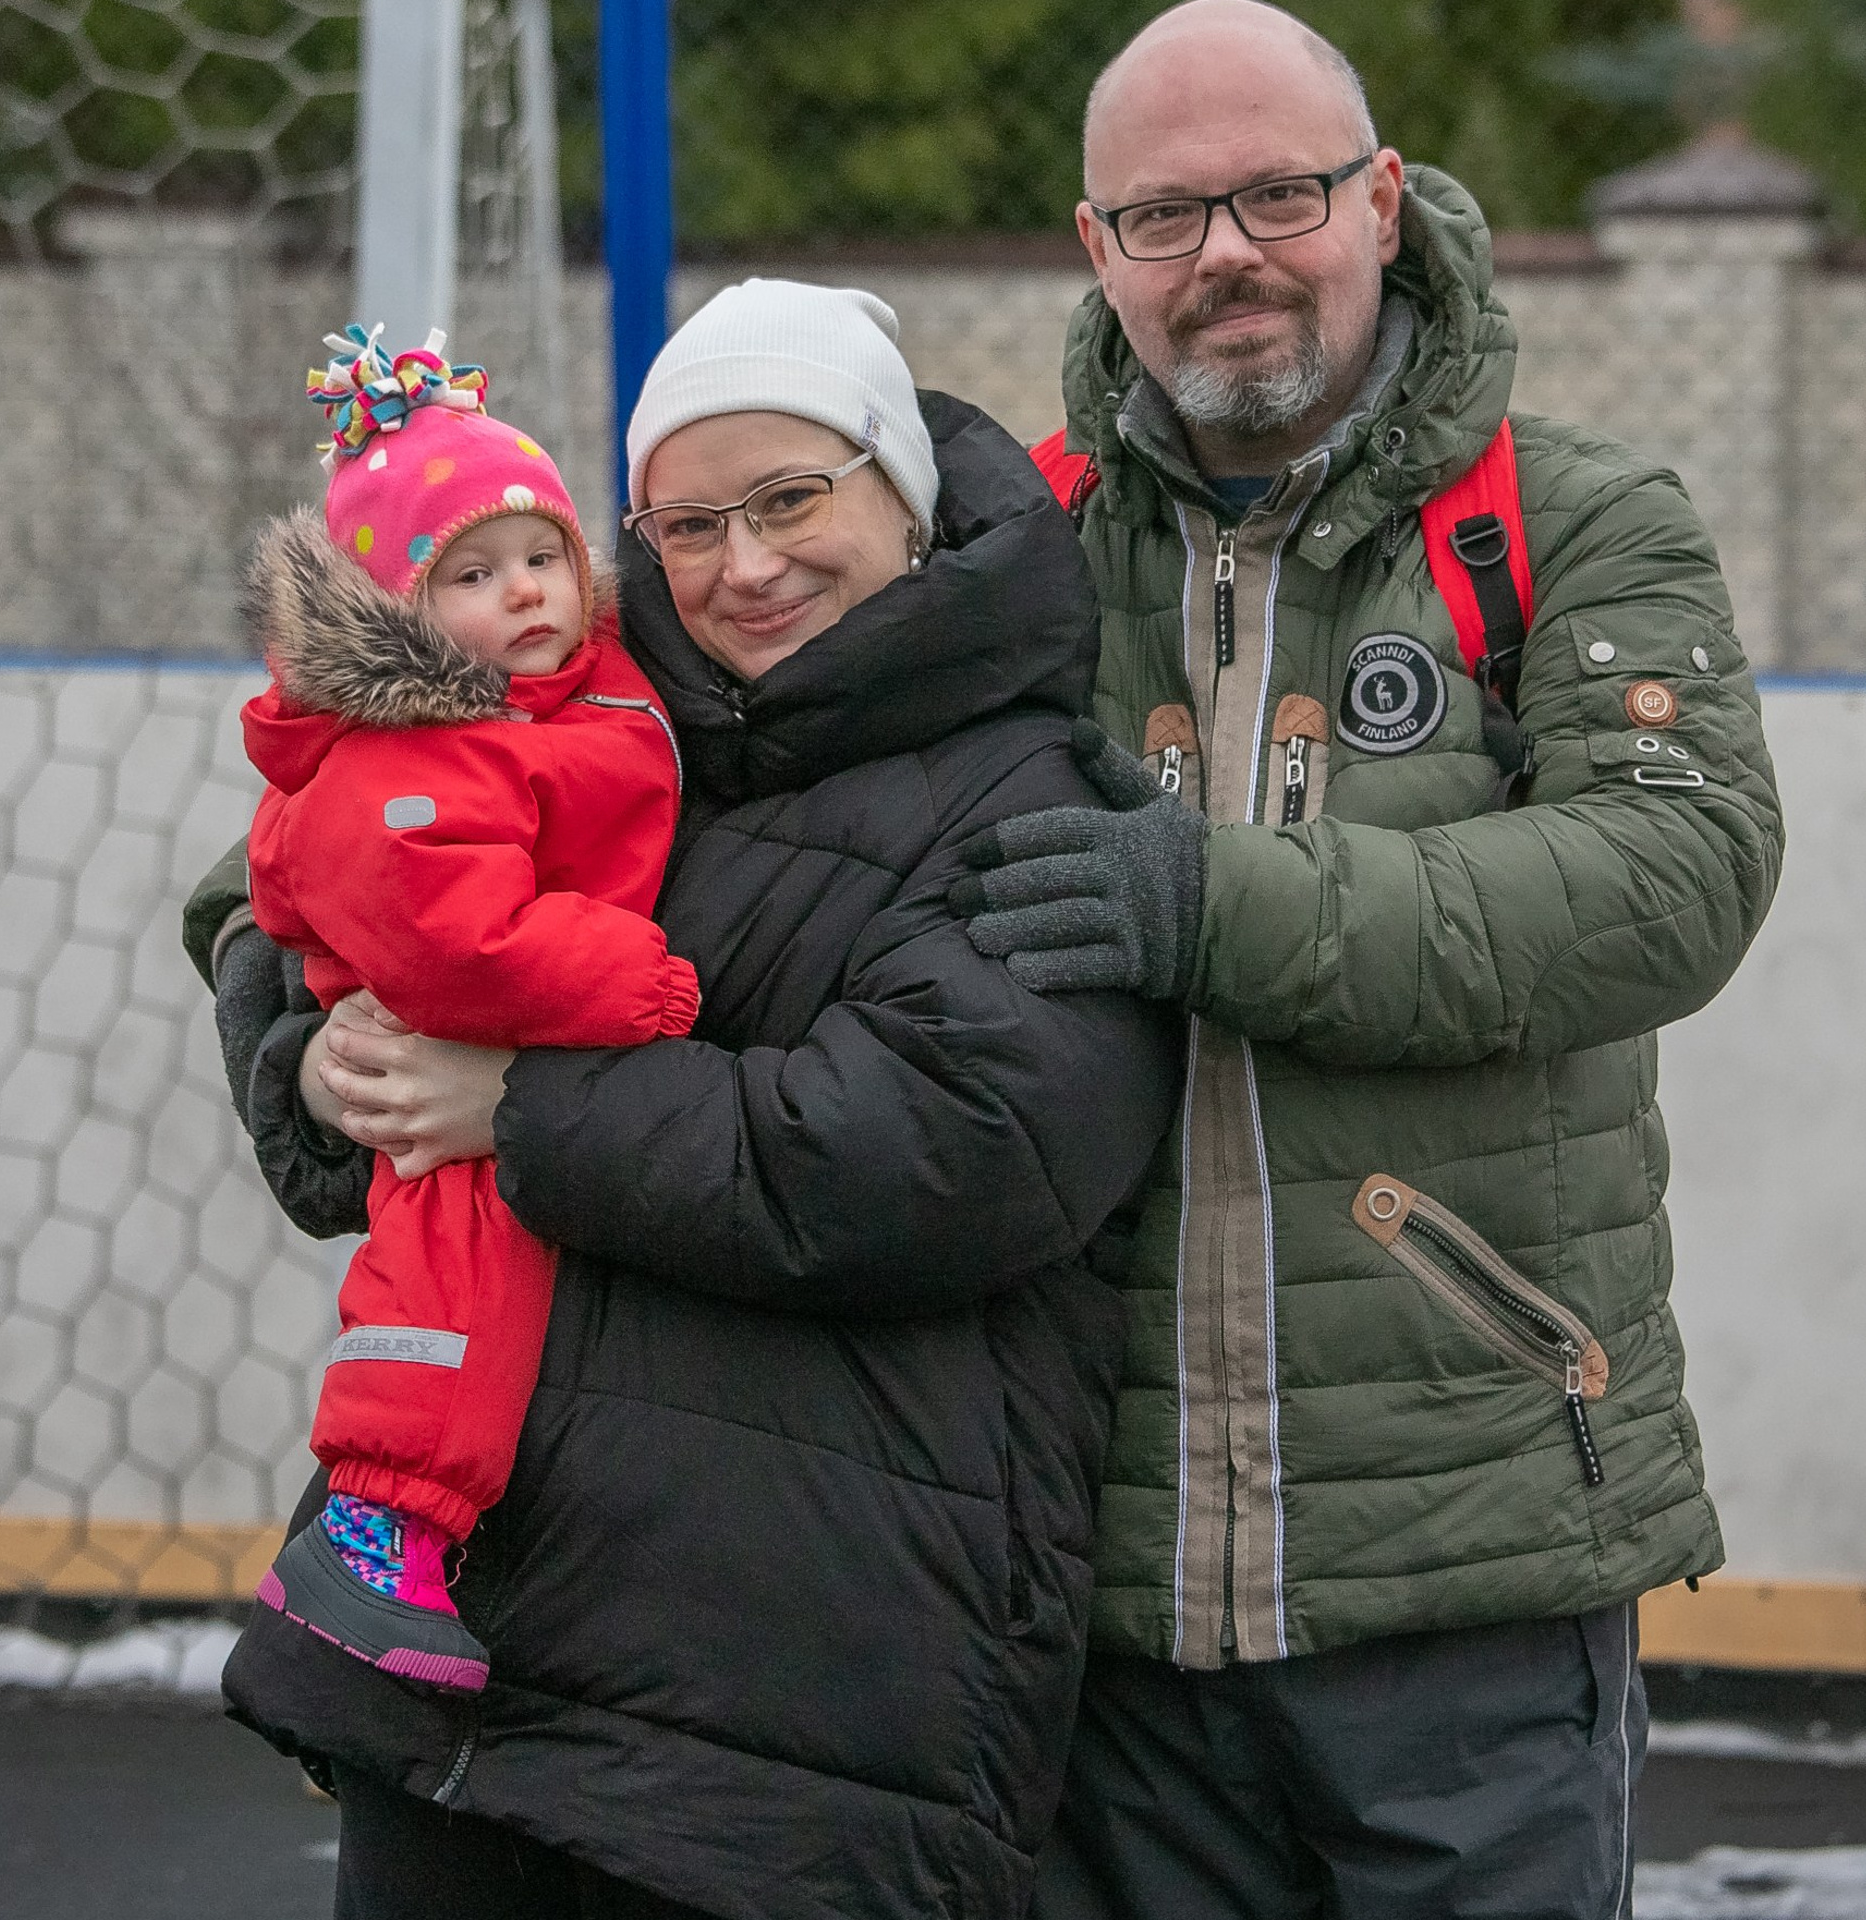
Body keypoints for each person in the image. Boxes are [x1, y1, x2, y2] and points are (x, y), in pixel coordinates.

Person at [189, 279, 1183, 1920]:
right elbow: (299, 901)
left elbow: (946, 1158)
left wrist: (518, 1108)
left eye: (794, 499)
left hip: (794, 1714)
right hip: (475, 1662)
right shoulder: (567, 709)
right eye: (685, 522)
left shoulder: (1035, 793)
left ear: (905, 497)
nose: (745, 564)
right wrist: (312, 1056)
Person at [946, 4, 1784, 1916]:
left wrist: (1209, 904)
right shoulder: (1015, 553)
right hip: (1101, 1589)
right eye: (1166, 215)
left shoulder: (1567, 521)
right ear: (1096, 250)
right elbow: (683, 734)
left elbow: (1675, 873)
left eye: (1280, 194)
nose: (1227, 251)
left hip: (1474, 1572)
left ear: (1383, 203)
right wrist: (305, 929)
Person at [238, 326, 700, 1691]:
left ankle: (405, 1530)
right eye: (474, 576)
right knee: (453, 1304)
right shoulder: (414, 751)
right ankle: (376, 1528)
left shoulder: (573, 690)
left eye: (544, 556)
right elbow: (460, 946)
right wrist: (640, 987)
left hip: (512, 1057)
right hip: (459, 1058)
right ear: (396, 613)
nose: (529, 594)